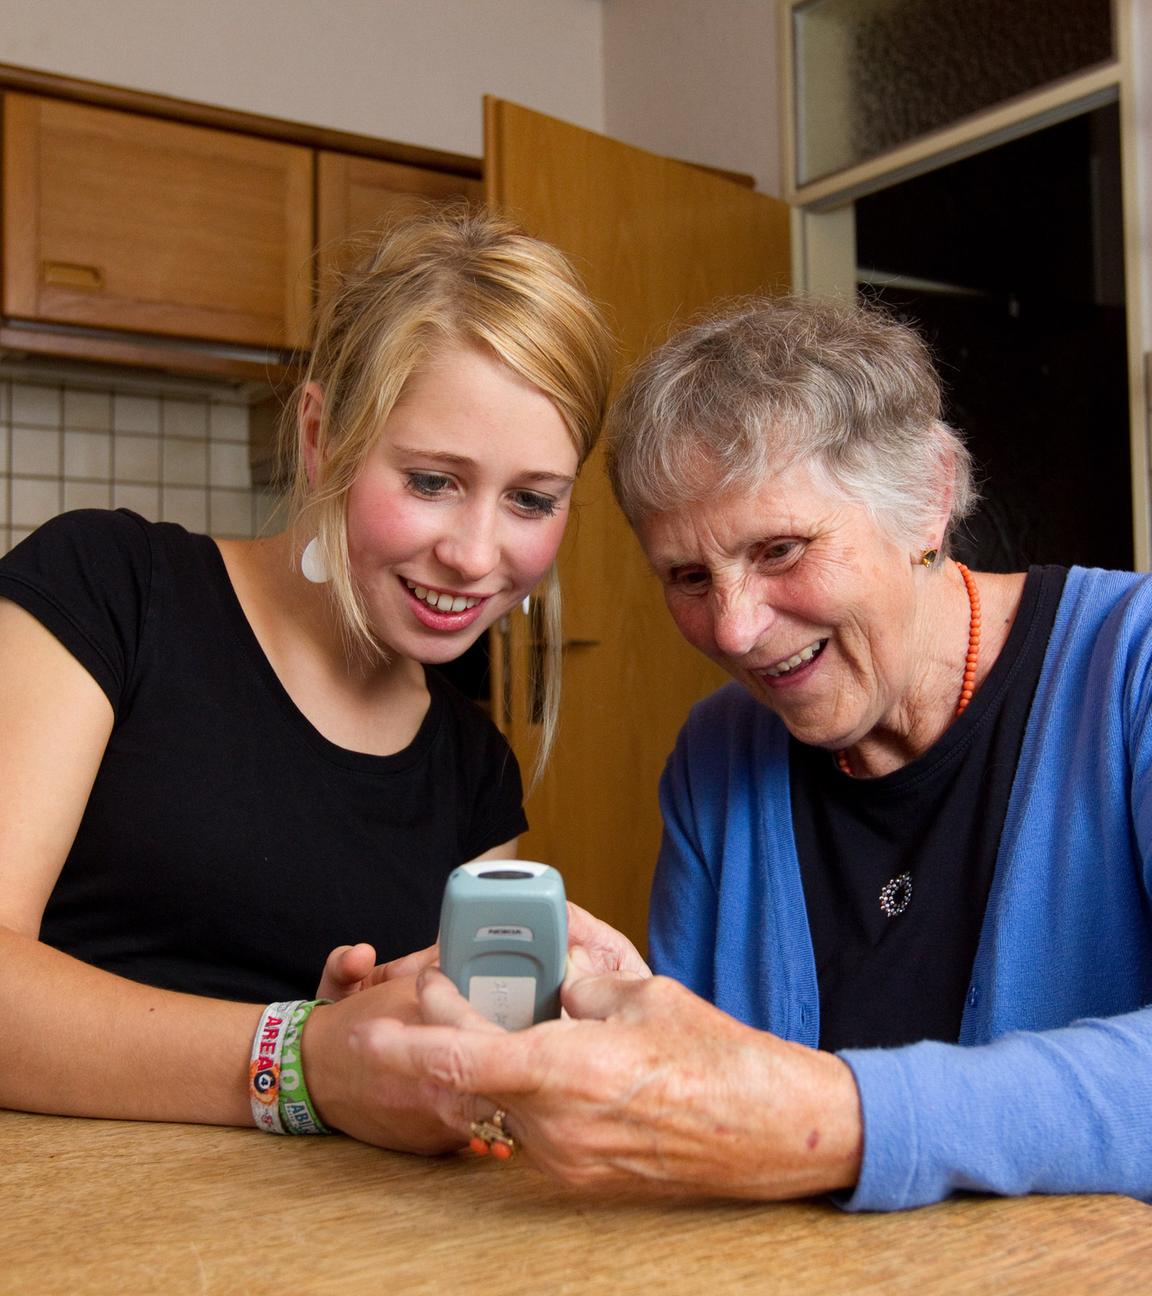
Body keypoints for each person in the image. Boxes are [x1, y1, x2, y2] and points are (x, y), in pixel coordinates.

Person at [362, 295, 1152, 1208]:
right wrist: (592, 1026)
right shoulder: (716, 755)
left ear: (929, 499)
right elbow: (707, 1118)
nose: (733, 629)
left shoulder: (1130, 669)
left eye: (781, 549)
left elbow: (767, 1123)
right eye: (689, 578)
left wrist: (829, 1122)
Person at [0, 205, 640, 1150]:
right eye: (431, 480)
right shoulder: (109, 591)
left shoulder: (472, 764)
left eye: (532, 500)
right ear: (319, 436)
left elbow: (459, 1082)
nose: (474, 554)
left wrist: (463, 1041)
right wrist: (304, 1054)